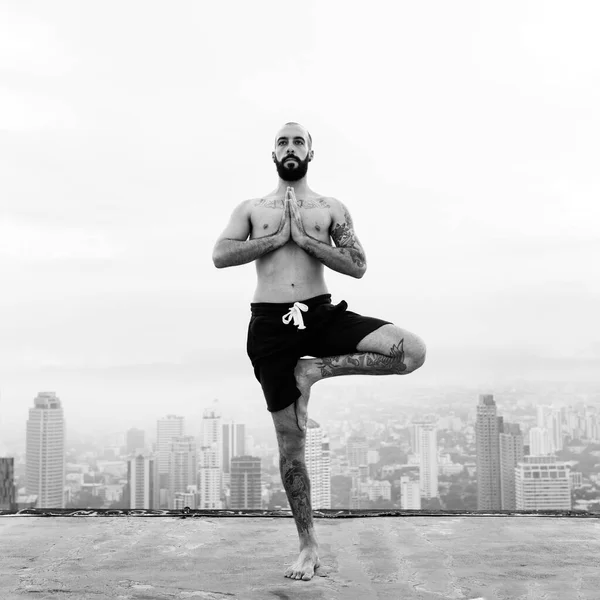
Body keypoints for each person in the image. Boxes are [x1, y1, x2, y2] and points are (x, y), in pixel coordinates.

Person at [212, 122, 426, 581]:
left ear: (311, 152)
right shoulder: (252, 208)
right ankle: (308, 546)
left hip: (321, 314)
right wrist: (276, 238)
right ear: (273, 153)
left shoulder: (330, 208)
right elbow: (220, 254)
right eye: (283, 142)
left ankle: (315, 372)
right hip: (270, 324)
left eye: (299, 141)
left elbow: (359, 265)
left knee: (410, 352)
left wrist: (307, 240)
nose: (291, 148)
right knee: (292, 446)